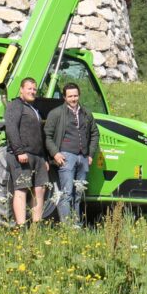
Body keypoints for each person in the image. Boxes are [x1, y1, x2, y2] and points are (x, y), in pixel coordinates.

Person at [45, 82, 100, 223]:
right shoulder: (56, 113)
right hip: (66, 157)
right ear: (64, 97)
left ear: (79, 95)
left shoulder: (86, 113)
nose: (73, 99)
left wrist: (90, 154)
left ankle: (76, 224)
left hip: (83, 157)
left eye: (75, 95)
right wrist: (55, 153)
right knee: (67, 193)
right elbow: (47, 136)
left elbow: (95, 133)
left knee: (79, 193)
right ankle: (67, 226)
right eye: (70, 96)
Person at [4, 77, 49, 226]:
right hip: (22, 154)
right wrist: (19, 151)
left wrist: (44, 158)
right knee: (22, 189)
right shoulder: (15, 105)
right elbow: (11, 128)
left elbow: (39, 135)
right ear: (21, 90)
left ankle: (36, 224)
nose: (32, 91)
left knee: (40, 189)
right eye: (29, 88)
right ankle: (21, 226)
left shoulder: (33, 109)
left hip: (37, 156)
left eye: (34, 89)